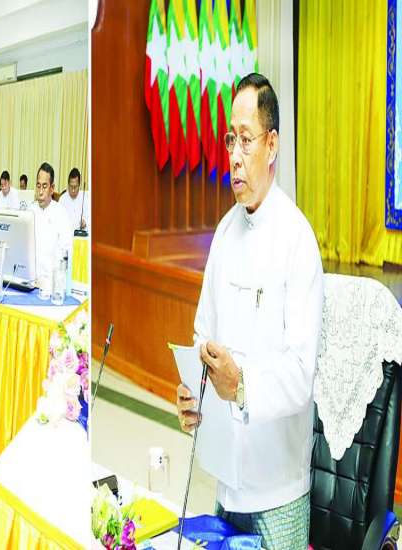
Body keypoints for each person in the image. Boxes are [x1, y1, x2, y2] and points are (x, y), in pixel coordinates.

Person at [175, 73, 322, 550]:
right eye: (229, 140)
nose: (234, 155)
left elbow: (300, 376)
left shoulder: (297, 240)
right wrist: (194, 393)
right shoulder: (223, 233)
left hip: (278, 492)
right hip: (226, 479)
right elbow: (202, 334)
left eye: (246, 139)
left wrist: (241, 386)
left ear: (272, 144)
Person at [30, 163, 72, 289]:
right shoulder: (29, 211)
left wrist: (53, 284)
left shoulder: (62, 214)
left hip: (51, 284)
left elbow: (66, 253)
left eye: (44, 186)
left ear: (52, 188)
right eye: (38, 186)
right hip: (30, 282)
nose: (40, 192)